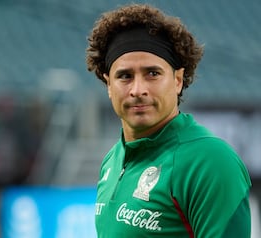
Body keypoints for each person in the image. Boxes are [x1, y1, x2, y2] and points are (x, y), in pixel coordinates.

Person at [85, 3, 252, 237]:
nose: (137, 89)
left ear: (178, 80)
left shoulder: (210, 161)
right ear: (108, 85)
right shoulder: (112, 160)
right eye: (125, 76)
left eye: (152, 73)